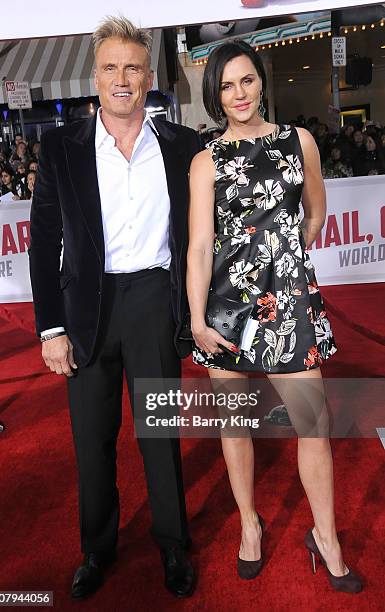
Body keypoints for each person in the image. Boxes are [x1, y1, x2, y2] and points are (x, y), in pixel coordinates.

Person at [29, 15, 200, 600]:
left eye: (132, 67)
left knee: (160, 433)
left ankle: (173, 545)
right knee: (92, 440)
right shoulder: (61, 147)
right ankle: (96, 552)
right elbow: (43, 240)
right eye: (110, 68)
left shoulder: (183, 147)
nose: (122, 78)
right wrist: (50, 327)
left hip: (155, 301)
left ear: (149, 76)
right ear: (95, 77)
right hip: (86, 309)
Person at [186, 40, 362, 594]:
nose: (238, 94)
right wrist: (197, 319)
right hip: (224, 313)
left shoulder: (299, 141)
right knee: (234, 426)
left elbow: (315, 215)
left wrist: (282, 267)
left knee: (314, 424)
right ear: (216, 95)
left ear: (262, 81)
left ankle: (326, 536)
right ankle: (249, 525)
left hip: (287, 307)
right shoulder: (205, 159)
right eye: (226, 86)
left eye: (246, 80)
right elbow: (197, 247)